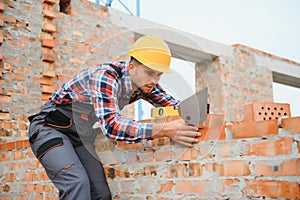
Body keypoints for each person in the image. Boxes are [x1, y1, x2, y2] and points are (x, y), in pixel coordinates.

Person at [28, 35, 200, 200]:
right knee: (77, 184)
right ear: (132, 67)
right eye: (150, 73)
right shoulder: (105, 76)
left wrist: (198, 111)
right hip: (49, 129)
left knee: (101, 194)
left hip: (80, 136)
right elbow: (112, 126)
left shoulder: (146, 84)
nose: (154, 80)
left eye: (159, 75)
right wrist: (165, 130)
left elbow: (174, 107)